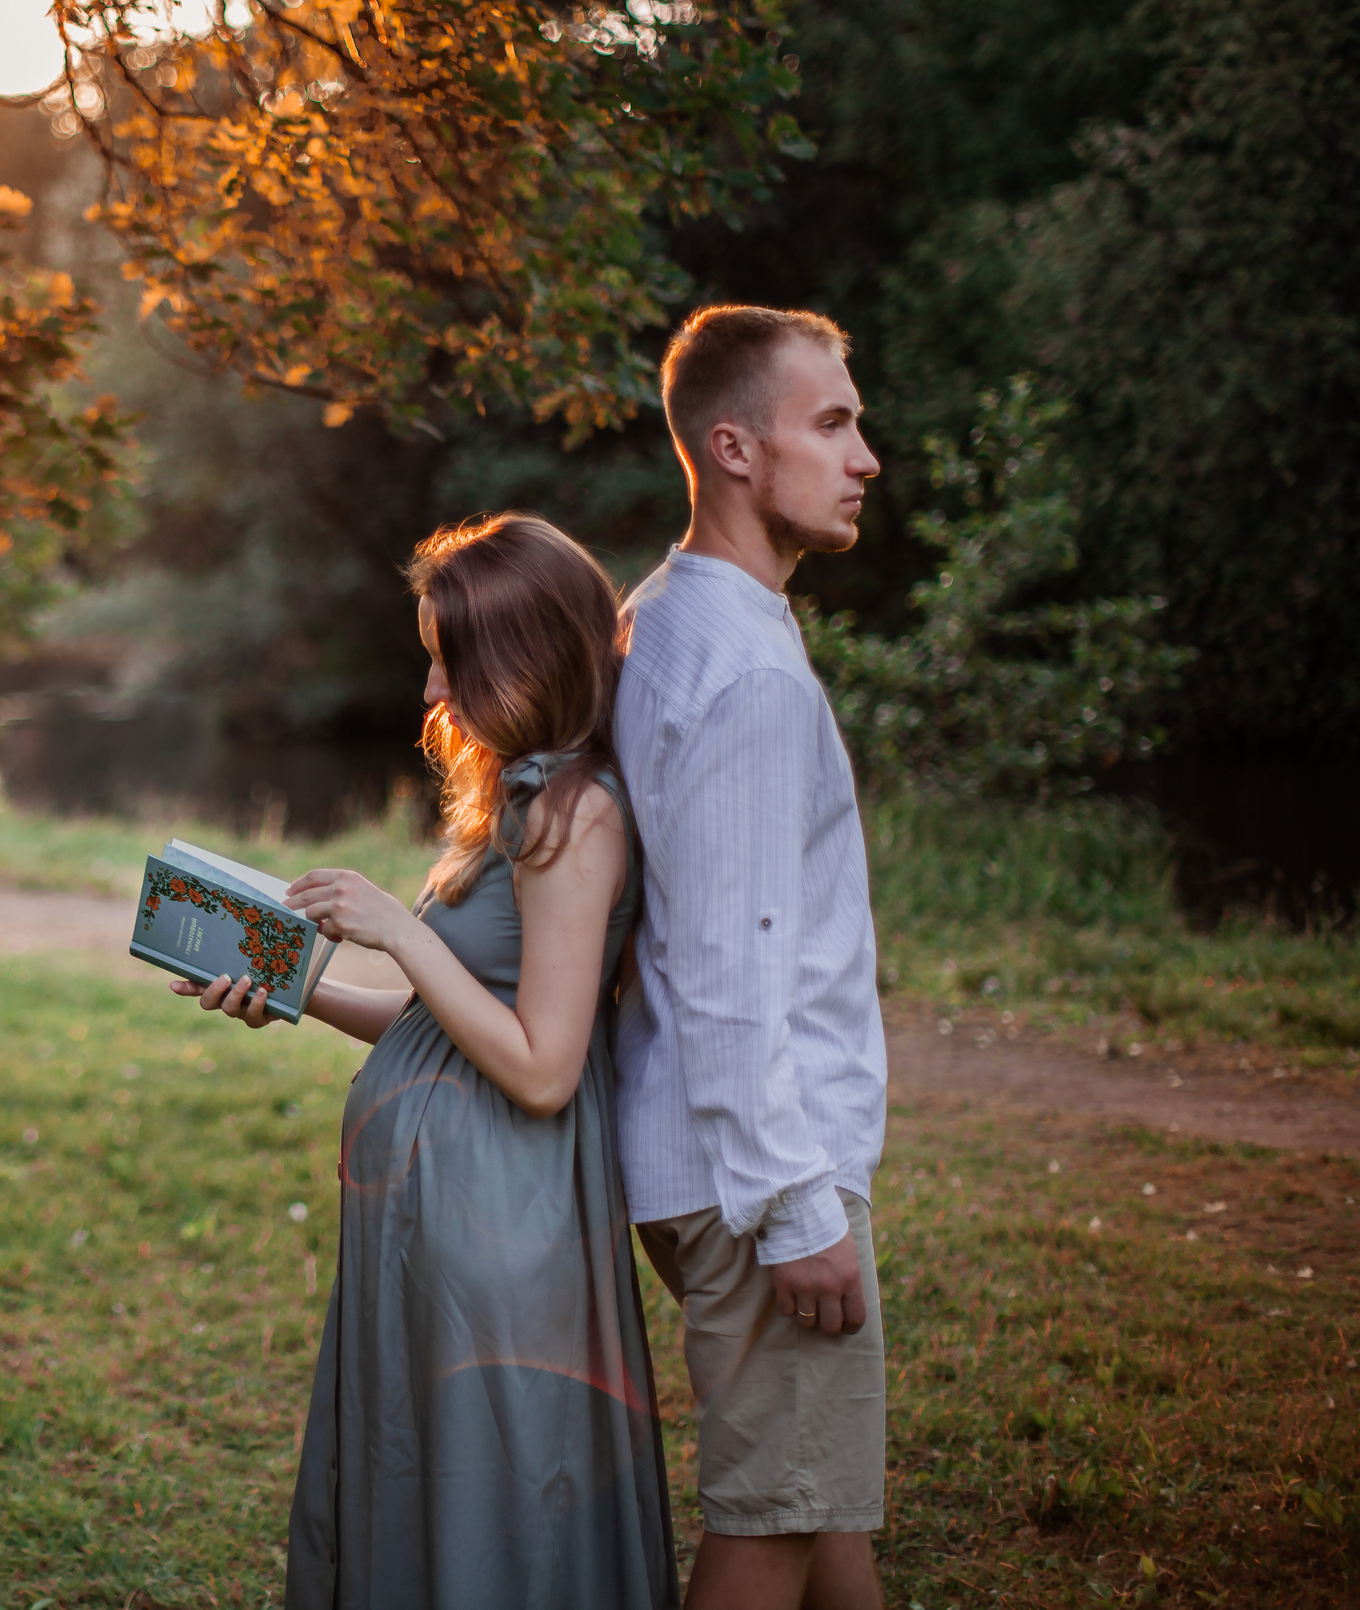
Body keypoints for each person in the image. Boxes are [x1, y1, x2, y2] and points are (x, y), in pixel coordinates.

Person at [176, 513, 679, 1608]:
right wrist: (296, 993)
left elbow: (544, 1065)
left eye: (446, 660)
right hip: (437, 1213)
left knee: (495, 1485)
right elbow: (444, 1024)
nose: (428, 692)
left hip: (504, 1216)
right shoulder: (518, 798)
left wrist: (397, 930)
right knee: (427, 1471)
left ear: (520, 656)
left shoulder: (576, 817)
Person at [614, 304, 890, 1610]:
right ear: (734, 447)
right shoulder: (746, 669)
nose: (866, 455)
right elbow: (735, 961)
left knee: (817, 1498)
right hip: (756, 1169)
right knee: (772, 1519)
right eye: (831, 423)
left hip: (686, 1153)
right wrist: (799, 1201)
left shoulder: (659, 616)